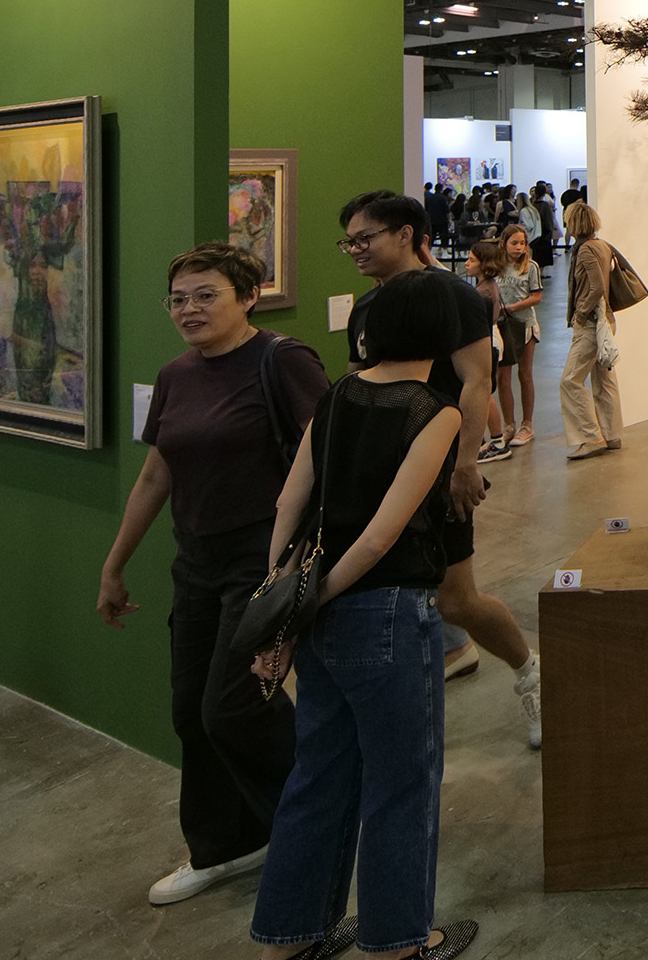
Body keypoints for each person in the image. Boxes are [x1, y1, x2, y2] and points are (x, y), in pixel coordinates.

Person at [248, 270, 479, 960]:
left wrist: (287, 601)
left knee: (318, 772)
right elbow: (382, 537)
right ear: (442, 333)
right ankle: (397, 942)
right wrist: (321, 596)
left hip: (320, 619)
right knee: (403, 781)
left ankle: (290, 939)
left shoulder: (338, 394)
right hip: (388, 611)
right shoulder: (436, 411)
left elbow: (288, 504)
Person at [97, 243, 329, 908]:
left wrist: (294, 566)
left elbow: (329, 457)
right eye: (178, 299)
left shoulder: (282, 360)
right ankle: (224, 844)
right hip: (195, 563)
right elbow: (156, 475)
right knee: (190, 712)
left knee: (234, 707)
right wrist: (114, 563)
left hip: (261, 561)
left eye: (206, 295)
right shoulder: (176, 375)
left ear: (249, 296)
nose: (188, 309)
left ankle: (317, 819)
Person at [336, 192, 539, 748]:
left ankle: (530, 672)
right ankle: (448, 656)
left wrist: (466, 463)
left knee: (456, 598)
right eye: (349, 242)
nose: (356, 250)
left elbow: (476, 381)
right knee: (399, 590)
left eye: (365, 238)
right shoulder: (366, 307)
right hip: (384, 472)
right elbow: (356, 385)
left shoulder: (454, 297)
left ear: (405, 234)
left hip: (441, 468)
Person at [559, 202, 623, 459]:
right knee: (604, 380)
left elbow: (596, 287)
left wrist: (581, 312)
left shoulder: (585, 250)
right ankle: (611, 434)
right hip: (605, 320)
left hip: (592, 324)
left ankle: (590, 436)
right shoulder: (602, 246)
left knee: (570, 380)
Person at [495, 222, 545, 450]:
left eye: (522, 243)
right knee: (503, 376)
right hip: (503, 327)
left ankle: (527, 424)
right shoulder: (497, 266)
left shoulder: (530, 267)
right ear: (504, 244)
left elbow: (536, 297)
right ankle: (508, 425)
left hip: (525, 326)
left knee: (525, 374)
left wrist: (512, 308)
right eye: (514, 243)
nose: (518, 247)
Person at [464, 238, 514, 463]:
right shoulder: (485, 286)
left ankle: (497, 441)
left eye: (471, 260)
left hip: (488, 340)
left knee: (483, 393)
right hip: (489, 337)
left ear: (483, 265)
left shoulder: (484, 291)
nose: (467, 263)